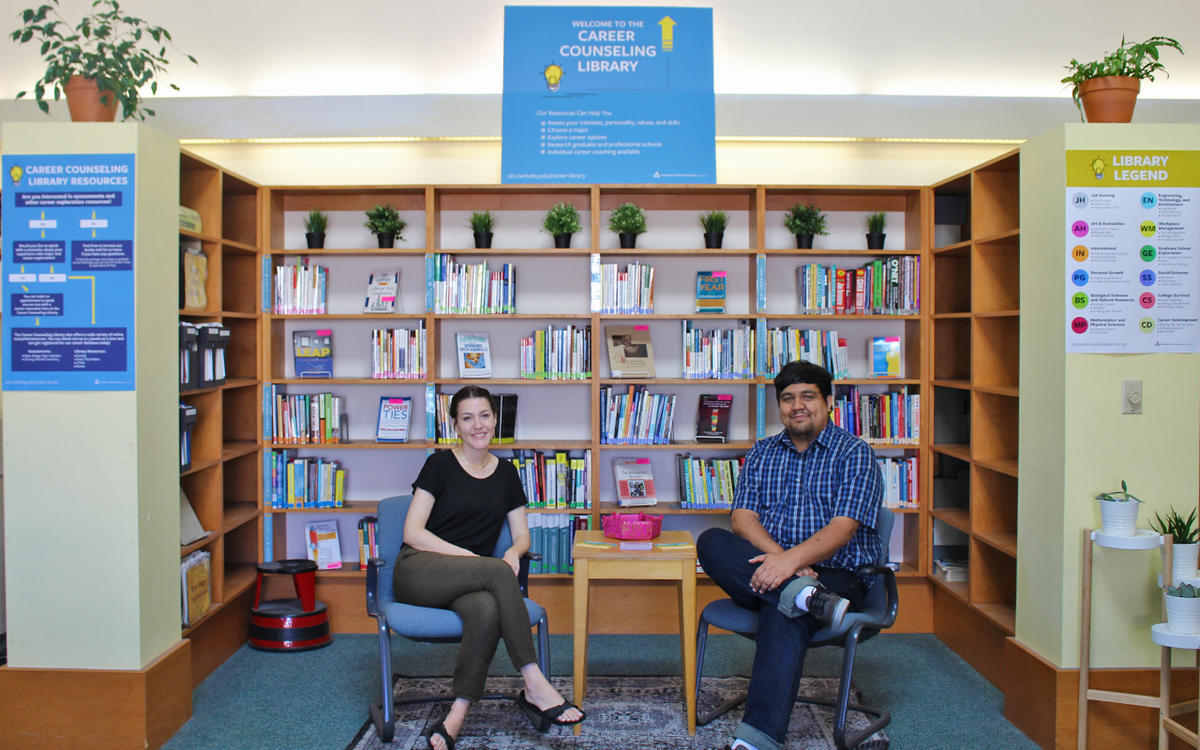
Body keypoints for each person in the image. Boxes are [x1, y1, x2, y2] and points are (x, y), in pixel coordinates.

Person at [697, 360, 883, 750]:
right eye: (787, 398)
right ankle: (802, 594)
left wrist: (787, 564)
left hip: (839, 575)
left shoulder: (855, 454)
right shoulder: (763, 453)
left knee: (783, 611)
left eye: (808, 396)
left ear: (829, 402)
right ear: (779, 406)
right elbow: (743, 520)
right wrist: (784, 563)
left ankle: (756, 740)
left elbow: (843, 528)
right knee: (712, 540)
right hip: (778, 568)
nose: (797, 406)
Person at [392, 385, 585, 750]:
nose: (477, 425)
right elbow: (412, 532)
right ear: (455, 425)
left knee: (486, 608)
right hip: (419, 571)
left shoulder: (508, 473)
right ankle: (534, 681)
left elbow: (523, 534)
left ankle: (455, 716)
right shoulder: (439, 465)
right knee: (495, 571)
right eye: (467, 418)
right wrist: (477, 561)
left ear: (495, 419)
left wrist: (514, 551)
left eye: (484, 415)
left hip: (468, 584)